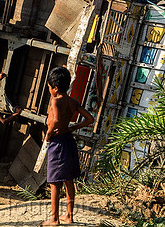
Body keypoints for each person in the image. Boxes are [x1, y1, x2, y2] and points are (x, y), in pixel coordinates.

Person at [41, 67, 94, 226]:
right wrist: (73, 127)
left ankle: (54, 219)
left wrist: (49, 134)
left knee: (54, 182)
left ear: (55, 88)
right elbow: (90, 119)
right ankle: (69, 215)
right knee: (68, 180)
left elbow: (56, 120)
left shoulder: (55, 100)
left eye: (49, 87)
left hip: (57, 143)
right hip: (68, 140)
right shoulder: (72, 101)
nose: (49, 90)